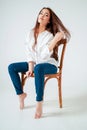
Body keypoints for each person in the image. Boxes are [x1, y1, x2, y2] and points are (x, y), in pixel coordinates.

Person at [8, 7, 71, 119]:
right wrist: (30, 68)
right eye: (41, 13)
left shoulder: (49, 35)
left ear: (49, 20)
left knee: (39, 68)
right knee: (12, 67)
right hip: (36, 64)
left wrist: (55, 40)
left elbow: (44, 56)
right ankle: (21, 94)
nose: (42, 15)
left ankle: (39, 103)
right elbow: (29, 53)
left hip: (50, 65)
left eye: (46, 15)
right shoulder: (30, 33)